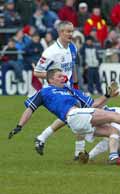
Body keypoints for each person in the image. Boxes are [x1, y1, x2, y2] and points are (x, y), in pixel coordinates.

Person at [8, 69, 120, 164]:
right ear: (51, 79)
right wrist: (19, 126)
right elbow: (30, 109)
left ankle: (114, 157)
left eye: (63, 75)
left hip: (79, 118)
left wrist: (108, 95)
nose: (64, 77)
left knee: (113, 132)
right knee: (113, 115)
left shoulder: (71, 90)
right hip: (73, 116)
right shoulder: (44, 92)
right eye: (60, 76)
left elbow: (94, 104)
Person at [32, 21, 81, 157]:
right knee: (79, 115)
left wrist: (75, 86)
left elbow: (72, 67)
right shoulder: (50, 52)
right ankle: (79, 152)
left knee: (74, 116)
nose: (70, 34)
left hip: (69, 89)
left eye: (72, 31)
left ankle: (41, 138)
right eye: (67, 31)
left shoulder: (72, 48)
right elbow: (36, 72)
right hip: (54, 91)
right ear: (60, 32)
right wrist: (54, 78)